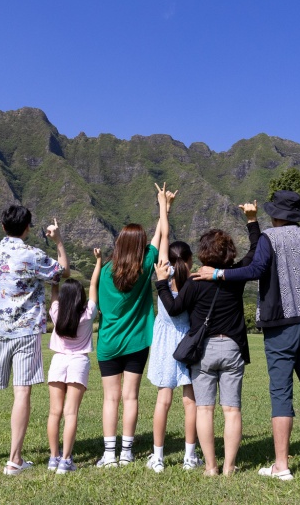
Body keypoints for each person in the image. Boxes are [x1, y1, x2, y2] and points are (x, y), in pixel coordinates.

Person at [195, 164, 300, 480]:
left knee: (281, 393)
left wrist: (218, 273)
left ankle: (282, 466)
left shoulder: (270, 237)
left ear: (275, 215)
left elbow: (255, 270)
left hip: (280, 326)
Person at [0, 206, 69, 475]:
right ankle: (14, 459)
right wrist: (58, 241)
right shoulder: (32, 255)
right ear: (28, 227)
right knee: (22, 392)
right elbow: (63, 272)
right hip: (25, 330)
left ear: (2, 225)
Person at [154, 201, 260, 476]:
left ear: (202, 253)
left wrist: (160, 283)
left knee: (204, 410)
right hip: (233, 348)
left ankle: (211, 467)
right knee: (232, 410)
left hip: (203, 351)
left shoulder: (195, 280)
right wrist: (252, 221)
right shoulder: (235, 276)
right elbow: (255, 253)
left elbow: (175, 308)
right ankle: (229, 467)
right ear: (228, 254)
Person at [94, 183, 171, 468]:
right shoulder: (145, 265)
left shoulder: (104, 272)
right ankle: (126, 452)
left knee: (110, 399)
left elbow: (100, 307)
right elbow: (161, 235)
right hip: (138, 341)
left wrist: (163, 208)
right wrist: (162, 206)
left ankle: (108, 454)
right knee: (130, 397)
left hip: (108, 343)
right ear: (139, 247)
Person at [145, 221, 201, 472]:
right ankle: (189, 457)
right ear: (189, 262)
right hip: (187, 342)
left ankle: (158, 457)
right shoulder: (194, 283)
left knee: (163, 400)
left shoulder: (163, 281)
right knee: (190, 401)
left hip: (165, 344)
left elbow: (164, 237)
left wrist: (164, 209)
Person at [45, 248, 101, 475]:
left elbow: (54, 290)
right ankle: (66, 460)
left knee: (54, 412)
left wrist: (56, 276)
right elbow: (95, 286)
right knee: (71, 413)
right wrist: (98, 262)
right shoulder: (88, 312)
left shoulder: (56, 312)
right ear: (81, 297)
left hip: (58, 361)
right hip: (79, 362)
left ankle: (53, 457)